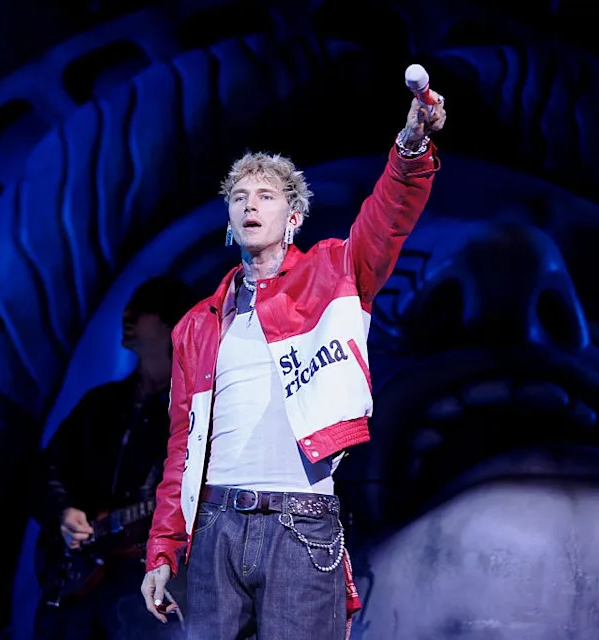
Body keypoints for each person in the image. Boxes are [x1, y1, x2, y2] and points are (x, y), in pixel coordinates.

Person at [140, 73, 448, 639]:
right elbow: (182, 448)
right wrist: (162, 548)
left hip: (299, 525)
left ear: (294, 217)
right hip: (215, 527)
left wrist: (410, 148)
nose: (249, 205)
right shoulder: (197, 326)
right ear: (230, 222)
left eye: (265, 196)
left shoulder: (335, 274)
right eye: (238, 198)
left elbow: (389, 216)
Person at [31, 276, 197, 640]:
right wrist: (63, 512)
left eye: (144, 306)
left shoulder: (194, 411)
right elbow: (47, 469)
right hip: (74, 582)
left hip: (143, 590)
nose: (128, 313)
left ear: (171, 322)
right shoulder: (101, 404)